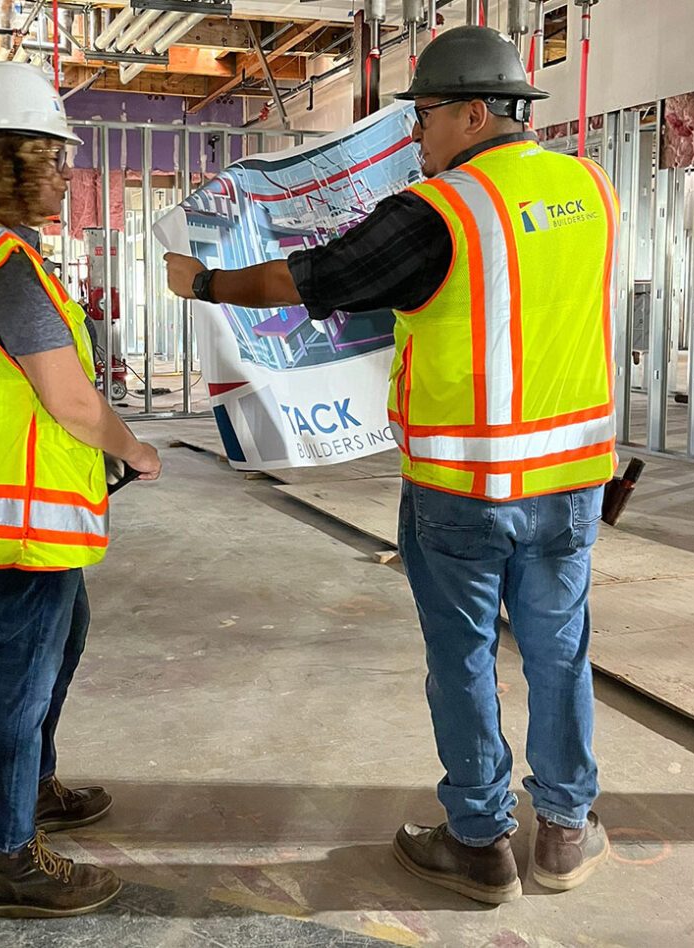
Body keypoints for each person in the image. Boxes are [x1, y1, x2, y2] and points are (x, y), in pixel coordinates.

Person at [165, 25, 616, 905]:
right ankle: (565, 830)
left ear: (476, 113)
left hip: (466, 488)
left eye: (429, 115)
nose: (417, 134)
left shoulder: (443, 210)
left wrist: (206, 285)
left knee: (465, 657)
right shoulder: (588, 185)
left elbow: (311, 281)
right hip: (571, 480)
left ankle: (481, 840)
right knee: (560, 651)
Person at [0, 60, 162, 918]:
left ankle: (37, 790)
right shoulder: (0, 261)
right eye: (55, 158)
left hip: (23, 502)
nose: (69, 173)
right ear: (9, 160)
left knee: (58, 647)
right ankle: (9, 855)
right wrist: (135, 446)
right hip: (23, 509)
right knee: (24, 674)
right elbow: (66, 396)